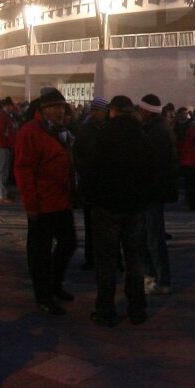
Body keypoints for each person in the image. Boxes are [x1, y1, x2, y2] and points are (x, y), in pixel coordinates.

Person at [81, 95, 155, 326]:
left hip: (106, 206)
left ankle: (105, 310)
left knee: (106, 263)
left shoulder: (102, 135)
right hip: (134, 208)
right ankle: (137, 308)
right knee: (135, 260)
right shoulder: (142, 136)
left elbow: (89, 169)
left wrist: (89, 197)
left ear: (112, 110)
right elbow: (151, 172)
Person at [14, 87, 77, 315]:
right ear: (43, 110)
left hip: (61, 200)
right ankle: (43, 295)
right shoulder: (31, 132)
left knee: (68, 243)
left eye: (61, 106)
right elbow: (23, 169)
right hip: (43, 203)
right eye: (54, 107)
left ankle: (54, 284)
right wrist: (31, 204)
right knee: (40, 252)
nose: (59, 111)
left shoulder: (60, 130)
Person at [138, 93, 178, 295]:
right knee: (150, 236)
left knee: (153, 237)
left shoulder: (155, 134)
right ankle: (154, 276)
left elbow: (154, 166)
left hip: (151, 193)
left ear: (147, 110)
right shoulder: (159, 130)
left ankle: (161, 280)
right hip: (153, 192)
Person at [72, 97, 109, 271]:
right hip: (89, 182)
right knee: (90, 223)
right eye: (93, 110)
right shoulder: (86, 130)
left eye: (97, 110)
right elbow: (77, 152)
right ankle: (91, 258)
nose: (94, 113)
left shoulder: (111, 129)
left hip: (106, 183)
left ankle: (111, 258)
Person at [0, 98, 18, 202]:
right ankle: (2, 195)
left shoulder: (7, 116)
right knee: (3, 170)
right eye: (11, 106)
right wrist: (7, 144)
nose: (12, 108)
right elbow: (0, 133)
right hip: (3, 146)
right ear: (6, 106)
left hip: (6, 146)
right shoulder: (1, 117)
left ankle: (4, 192)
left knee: (5, 170)